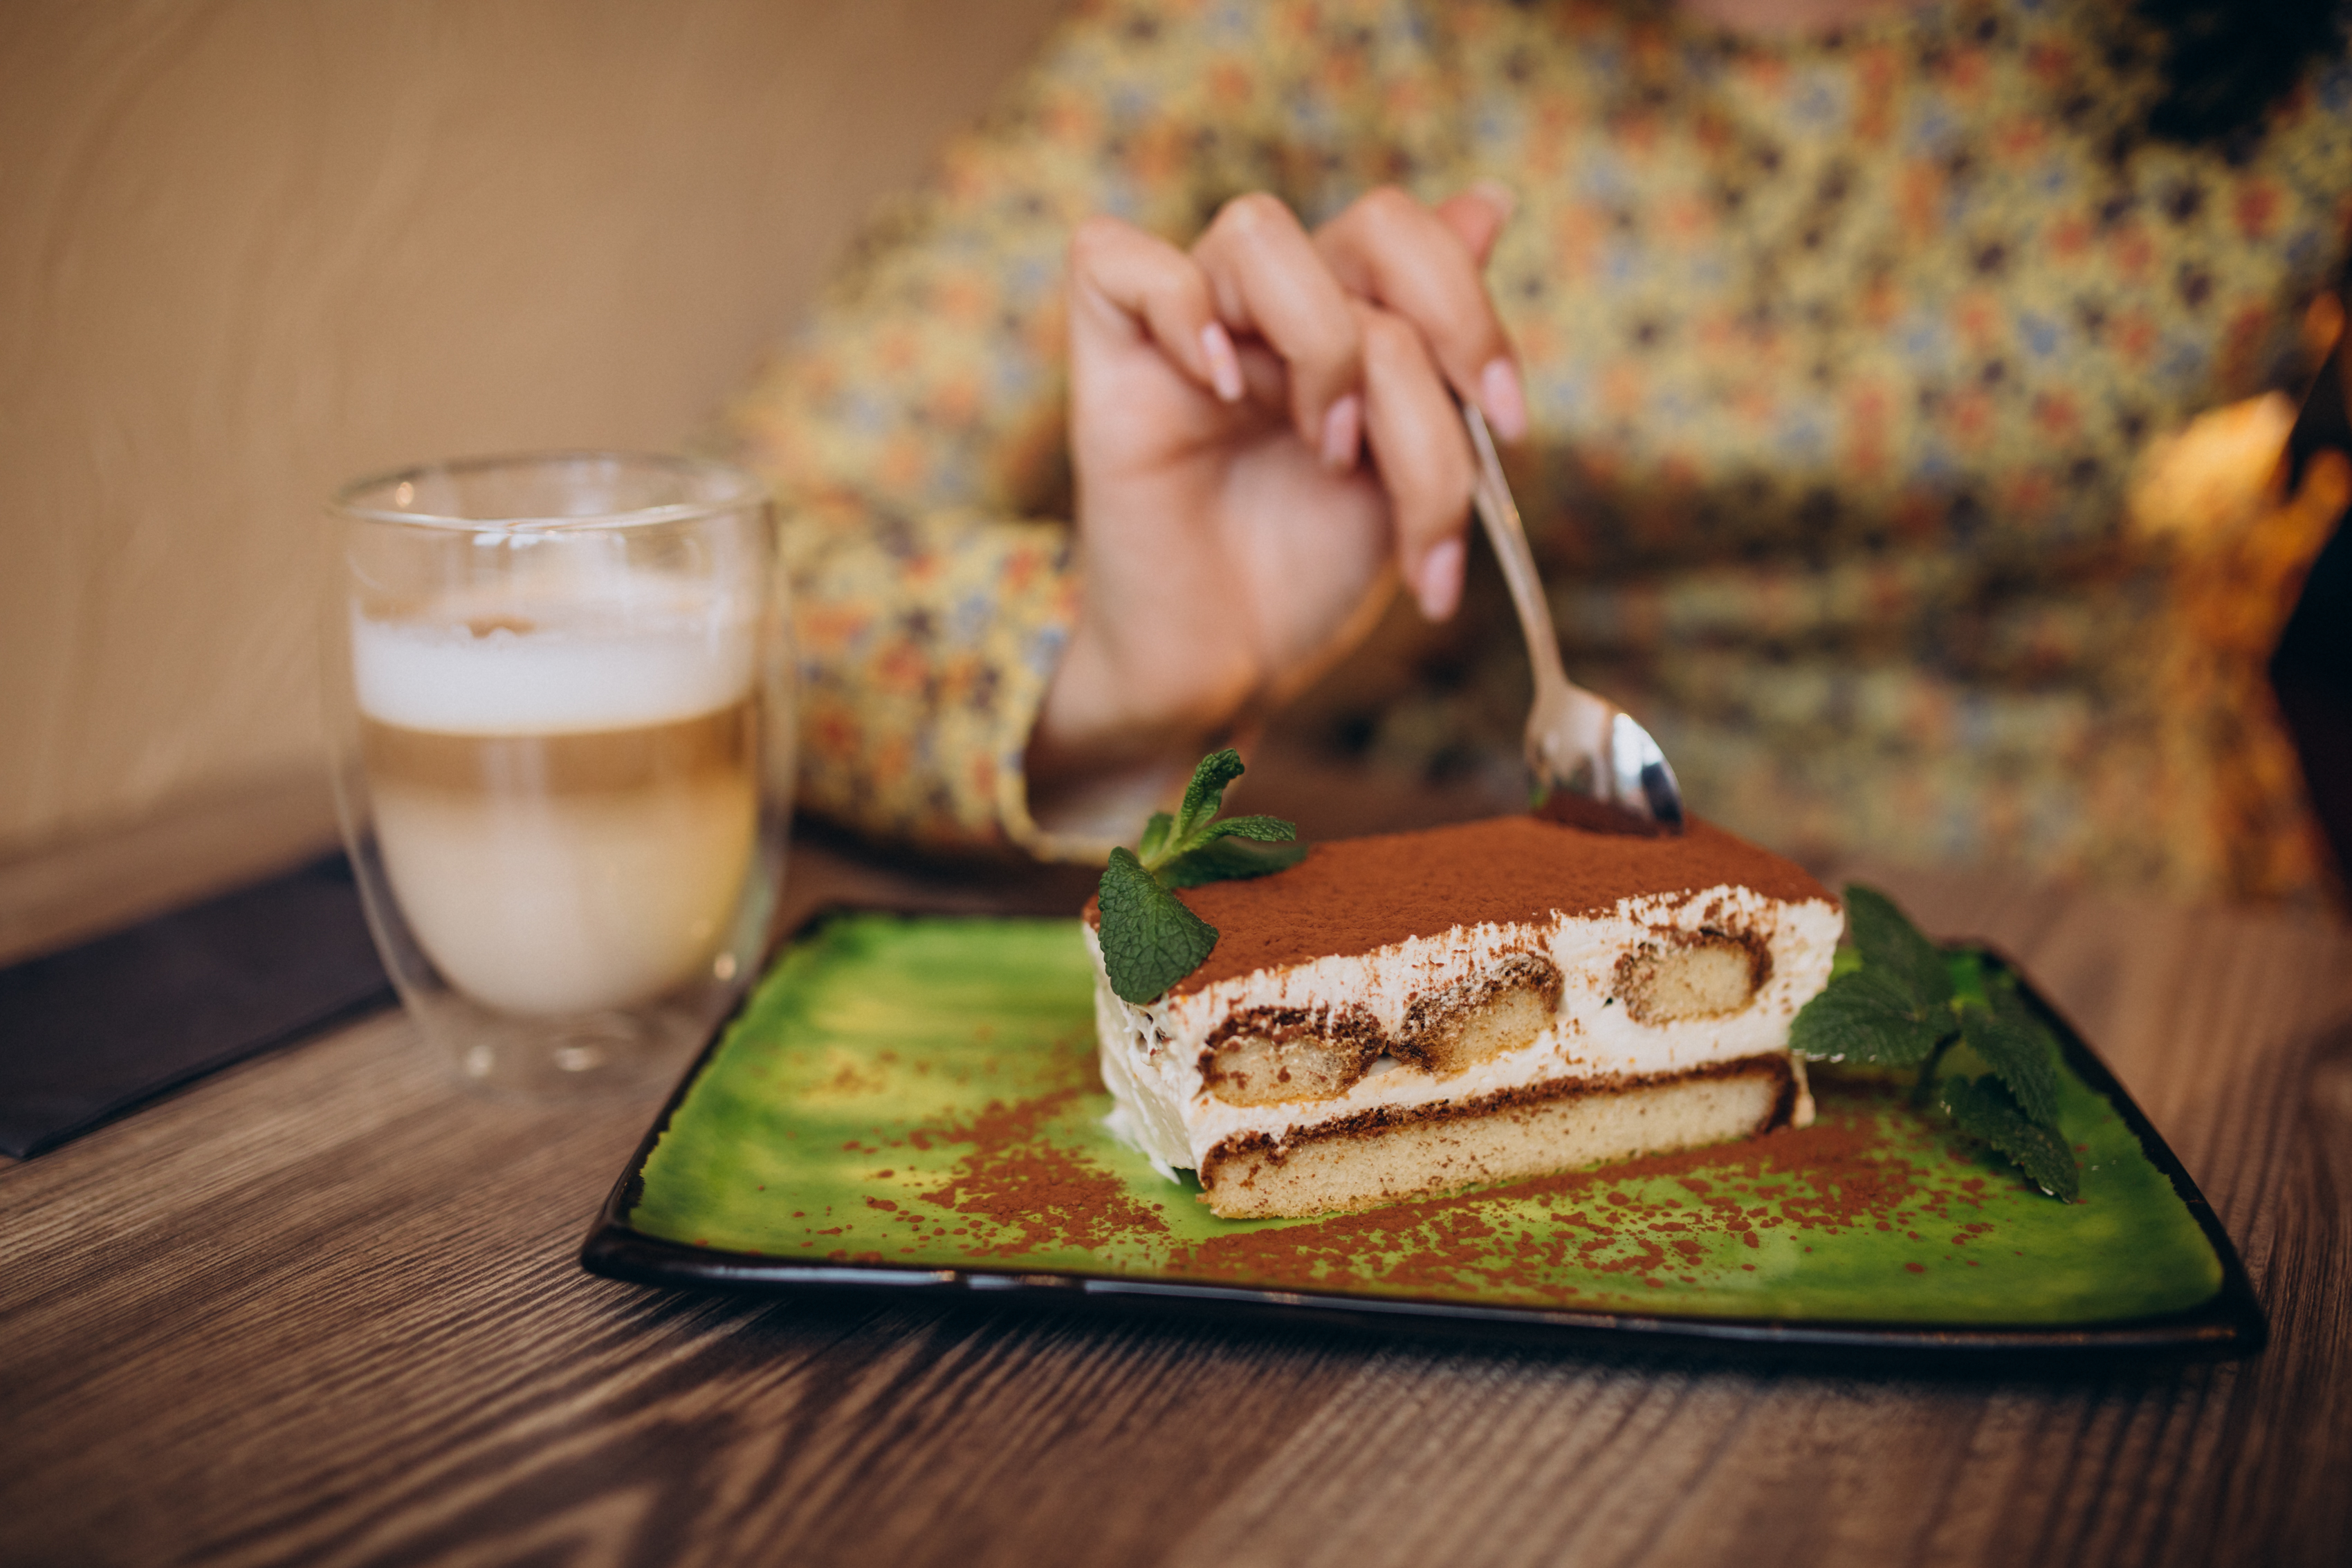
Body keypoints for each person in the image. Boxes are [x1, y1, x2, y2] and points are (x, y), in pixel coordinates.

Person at [721, 0, 2352, 899]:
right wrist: (1120, 676)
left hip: (2143, 958)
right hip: (1492, 911)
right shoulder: (1301, 31)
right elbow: (728, 565)